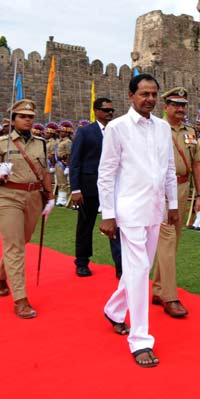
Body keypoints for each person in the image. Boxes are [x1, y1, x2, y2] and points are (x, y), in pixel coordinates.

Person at [98, 74, 179, 368]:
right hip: (129, 210)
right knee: (140, 268)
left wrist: (174, 204)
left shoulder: (162, 128)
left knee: (137, 269)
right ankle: (140, 340)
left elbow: (169, 169)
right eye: (144, 93)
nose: (150, 99)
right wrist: (108, 214)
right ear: (131, 96)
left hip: (155, 210)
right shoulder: (117, 128)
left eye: (154, 94)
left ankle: (114, 309)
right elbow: (106, 173)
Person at [0, 100, 55, 319]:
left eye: (31, 116)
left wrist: (50, 196)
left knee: (21, 240)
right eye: (23, 116)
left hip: (34, 198)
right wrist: (0, 175)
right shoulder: (1, 143)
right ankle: (21, 299)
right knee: (15, 247)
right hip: (8, 198)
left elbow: (44, 172)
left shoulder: (41, 143)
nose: (27, 120)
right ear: (13, 119)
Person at [151, 87, 200, 318]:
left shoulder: (190, 132)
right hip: (161, 190)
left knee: (174, 240)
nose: (180, 109)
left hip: (182, 188)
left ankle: (157, 287)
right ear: (166, 107)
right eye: (175, 104)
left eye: (183, 105)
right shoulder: (154, 129)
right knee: (167, 239)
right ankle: (169, 296)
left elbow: (196, 164)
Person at [69, 97, 123, 278]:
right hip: (89, 186)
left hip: (113, 186)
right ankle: (82, 262)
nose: (110, 113)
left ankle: (121, 265)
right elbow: (75, 161)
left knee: (116, 225)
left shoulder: (117, 131)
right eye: (106, 110)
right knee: (86, 224)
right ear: (96, 111)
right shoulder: (85, 132)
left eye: (112, 110)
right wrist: (75, 189)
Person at [54, 122, 73, 207]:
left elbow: (69, 154)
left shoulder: (68, 142)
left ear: (68, 133)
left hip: (63, 163)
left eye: (63, 132)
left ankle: (63, 199)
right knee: (59, 181)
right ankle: (60, 199)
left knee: (63, 182)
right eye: (61, 131)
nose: (61, 133)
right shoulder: (59, 141)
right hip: (58, 162)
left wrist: (68, 166)